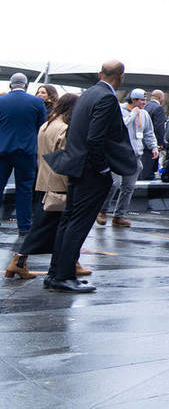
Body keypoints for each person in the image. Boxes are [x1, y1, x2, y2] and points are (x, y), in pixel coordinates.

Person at [44, 60, 138, 292]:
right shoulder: (106, 98)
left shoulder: (87, 95)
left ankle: (55, 273)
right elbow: (95, 139)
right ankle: (64, 276)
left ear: (99, 74)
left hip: (75, 166)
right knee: (77, 223)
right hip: (90, 170)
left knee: (68, 221)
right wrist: (103, 169)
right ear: (121, 77)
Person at [6, 94, 86, 279]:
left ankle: (71, 261)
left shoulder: (46, 125)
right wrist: (72, 186)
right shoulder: (65, 129)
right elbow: (65, 161)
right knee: (51, 228)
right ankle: (19, 260)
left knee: (49, 227)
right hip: (58, 185)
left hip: (44, 180)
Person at [97, 88, 159, 227]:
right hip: (118, 155)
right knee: (114, 184)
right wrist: (132, 115)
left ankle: (119, 216)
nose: (144, 103)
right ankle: (102, 210)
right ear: (133, 100)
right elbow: (118, 126)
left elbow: (149, 132)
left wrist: (153, 147)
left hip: (135, 155)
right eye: (141, 100)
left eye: (145, 100)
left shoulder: (144, 114)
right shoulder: (119, 110)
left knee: (129, 187)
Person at [0, 72, 48, 235]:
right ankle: (24, 226)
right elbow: (41, 127)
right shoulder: (36, 102)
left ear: (10, 85)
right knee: (25, 189)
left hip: (2, 150)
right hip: (26, 151)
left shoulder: (1, 101)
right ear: (26, 85)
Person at [142, 89, 168, 179]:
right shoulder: (158, 108)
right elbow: (159, 128)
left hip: (142, 141)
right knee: (149, 169)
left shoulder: (145, 106)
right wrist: (160, 143)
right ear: (160, 98)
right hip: (152, 143)